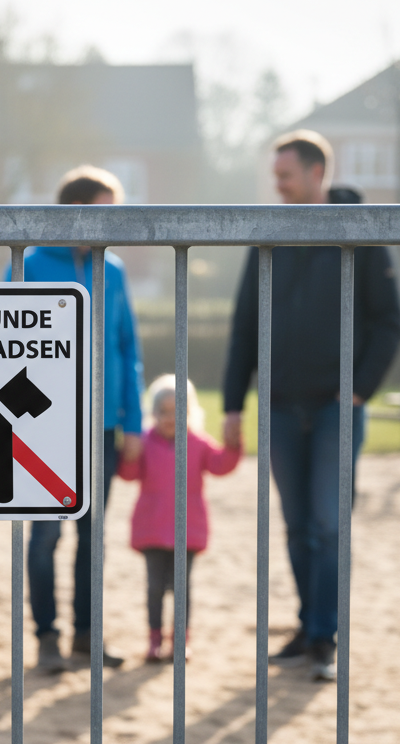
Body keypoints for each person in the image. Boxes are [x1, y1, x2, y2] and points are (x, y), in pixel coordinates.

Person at [221, 130, 400, 682]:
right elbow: (244, 325)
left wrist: (358, 389)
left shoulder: (362, 232)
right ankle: (308, 626)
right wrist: (232, 405)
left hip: (334, 407)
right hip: (277, 405)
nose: (277, 185)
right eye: (275, 175)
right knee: (297, 527)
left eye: (286, 175)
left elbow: (389, 321)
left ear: (316, 172)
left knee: (329, 524)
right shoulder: (270, 234)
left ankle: (326, 635)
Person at [16, 165, 145, 673]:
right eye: (103, 211)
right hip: (43, 428)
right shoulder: (26, 264)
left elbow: (127, 347)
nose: (111, 222)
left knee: (94, 535)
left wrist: (132, 421)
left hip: (104, 428)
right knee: (46, 535)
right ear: (72, 212)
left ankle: (87, 637)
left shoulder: (112, 271)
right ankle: (47, 638)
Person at [118, 375, 242, 662]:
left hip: (188, 528)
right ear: (153, 414)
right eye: (164, 412)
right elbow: (128, 474)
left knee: (182, 587)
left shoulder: (197, 443)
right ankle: (154, 639)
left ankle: (180, 640)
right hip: (151, 527)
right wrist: (129, 454)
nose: (170, 418)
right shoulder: (146, 442)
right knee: (154, 587)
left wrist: (234, 445)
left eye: (178, 411)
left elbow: (220, 465)